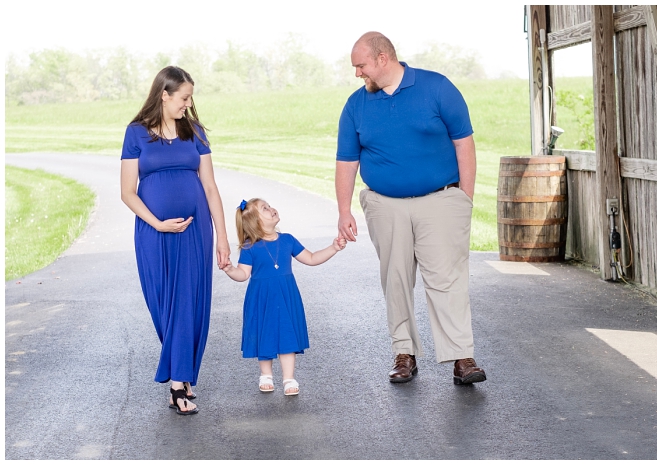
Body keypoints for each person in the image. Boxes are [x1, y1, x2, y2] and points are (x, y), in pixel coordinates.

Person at [335, 31, 486, 385]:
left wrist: (465, 198)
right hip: (385, 205)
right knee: (396, 280)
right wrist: (345, 211)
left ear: (383, 58)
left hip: (441, 200)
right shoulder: (356, 105)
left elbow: (464, 143)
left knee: (447, 279)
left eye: (361, 66)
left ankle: (461, 357)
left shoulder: (437, 88)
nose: (358, 73)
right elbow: (346, 161)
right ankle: (404, 354)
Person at [120, 66, 230, 415]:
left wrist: (223, 238)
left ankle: (179, 382)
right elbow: (127, 192)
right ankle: (181, 370)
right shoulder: (136, 133)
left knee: (191, 302)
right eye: (183, 98)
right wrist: (158, 224)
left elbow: (210, 187)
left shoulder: (194, 132)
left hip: (196, 232)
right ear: (164, 95)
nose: (188, 104)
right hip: (154, 233)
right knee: (165, 305)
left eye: (190, 98)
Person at [222, 198, 347, 396]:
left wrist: (334, 247)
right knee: (265, 333)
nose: (272, 209)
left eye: (269, 205)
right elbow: (243, 274)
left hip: (286, 296)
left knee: (287, 334)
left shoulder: (288, 240)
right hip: (261, 298)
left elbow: (312, 258)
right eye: (265, 208)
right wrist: (230, 269)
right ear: (256, 222)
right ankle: (266, 374)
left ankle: (289, 378)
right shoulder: (250, 247)